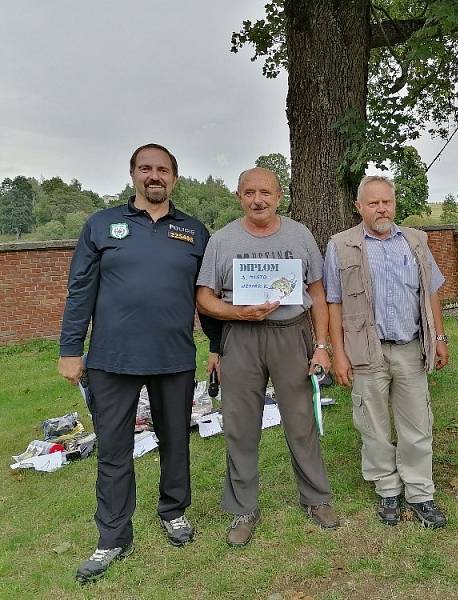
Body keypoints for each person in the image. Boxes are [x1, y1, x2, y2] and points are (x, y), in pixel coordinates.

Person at [58, 143, 219, 583]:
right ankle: (112, 536)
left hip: (174, 359)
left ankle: (174, 513)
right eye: (146, 168)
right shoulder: (101, 225)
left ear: (174, 178)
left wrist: (217, 348)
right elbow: (80, 291)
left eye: (163, 170)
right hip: (112, 360)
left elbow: (207, 298)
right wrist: (71, 349)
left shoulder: (193, 231)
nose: (155, 176)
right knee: (113, 451)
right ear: (132, 174)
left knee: (175, 443)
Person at [196, 167, 338, 547]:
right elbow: (205, 298)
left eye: (265, 192)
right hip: (240, 337)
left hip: (291, 334)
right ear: (238, 196)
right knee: (240, 424)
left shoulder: (300, 235)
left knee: (301, 419)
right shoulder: (222, 240)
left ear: (279, 196)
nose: (257, 200)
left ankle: (316, 498)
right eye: (249, 193)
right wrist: (237, 313)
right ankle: (244, 507)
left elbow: (318, 291)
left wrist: (322, 345)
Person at [324, 175, 449, 528]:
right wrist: (339, 353)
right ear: (359, 207)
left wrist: (440, 337)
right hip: (366, 351)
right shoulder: (340, 245)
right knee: (373, 425)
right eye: (374, 203)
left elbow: (431, 291)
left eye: (387, 202)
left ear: (394, 204)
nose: (382, 209)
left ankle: (420, 492)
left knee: (417, 424)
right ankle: (387, 489)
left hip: (410, 347)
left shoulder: (415, 241)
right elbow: (333, 302)